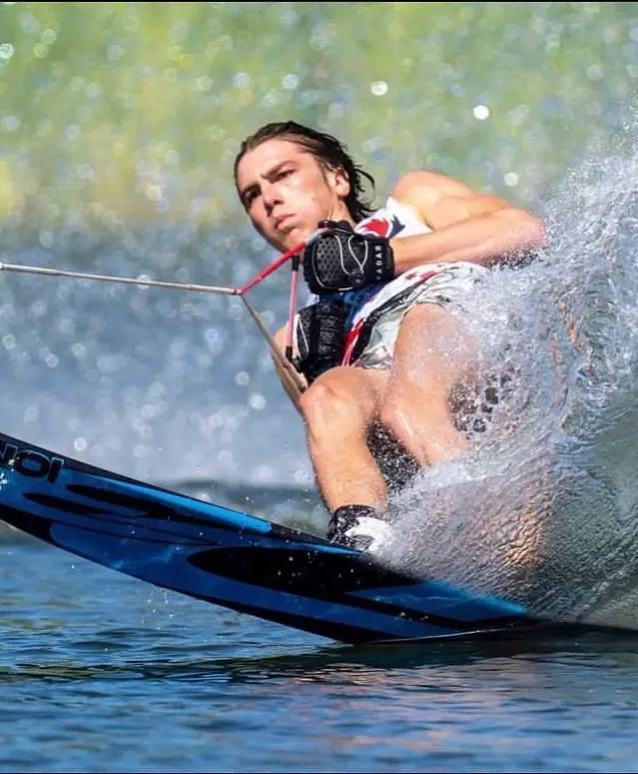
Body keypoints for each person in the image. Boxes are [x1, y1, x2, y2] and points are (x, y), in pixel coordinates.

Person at [233, 120, 548, 551]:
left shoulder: (412, 204)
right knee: (328, 398)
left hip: (475, 328)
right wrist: (327, 369)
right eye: (251, 195)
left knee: (412, 388)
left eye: (283, 175)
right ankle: (365, 542)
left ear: (338, 178)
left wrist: (378, 257)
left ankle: (505, 538)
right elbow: (391, 469)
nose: (268, 198)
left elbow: (525, 233)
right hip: (415, 397)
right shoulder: (296, 337)